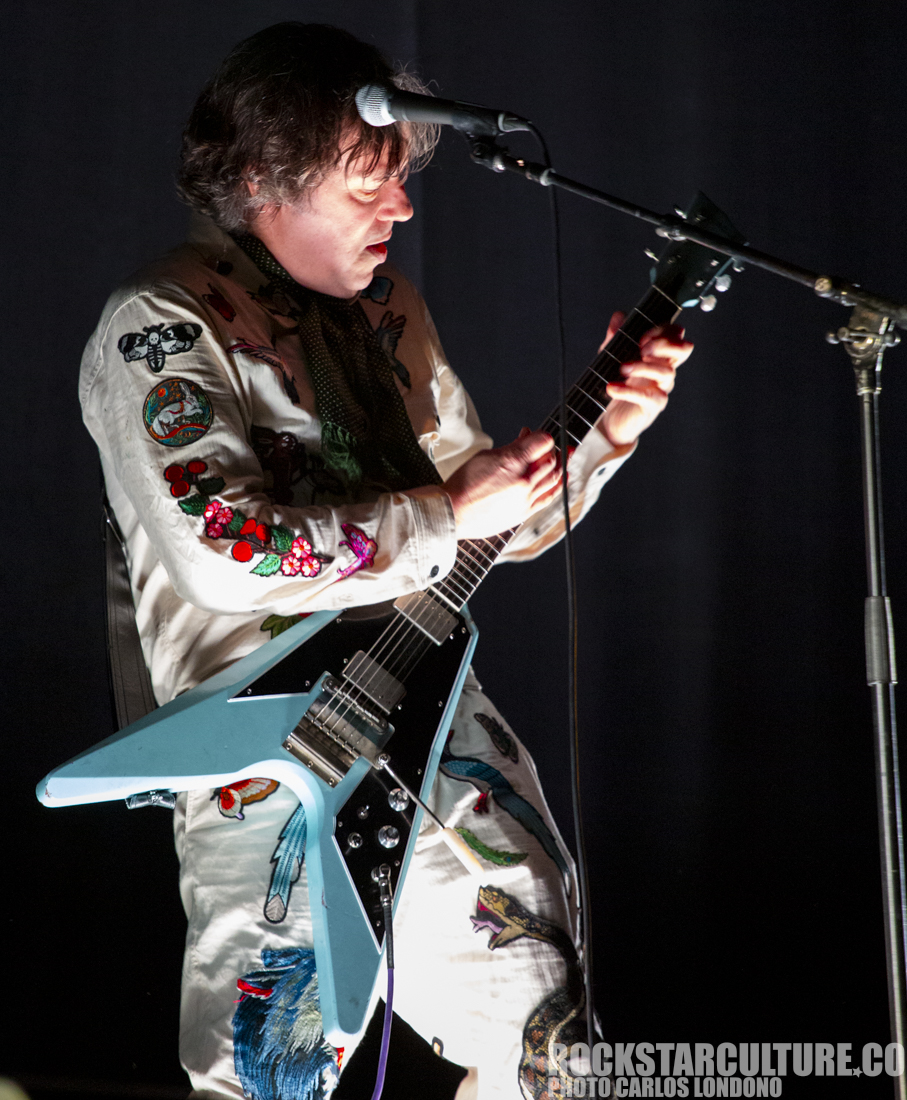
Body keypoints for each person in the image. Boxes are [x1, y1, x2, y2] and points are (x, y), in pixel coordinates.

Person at [78, 22, 691, 1100]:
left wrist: (610, 430)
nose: (400, 209)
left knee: (551, 1046)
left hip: (435, 728)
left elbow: (484, 524)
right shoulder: (162, 323)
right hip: (274, 747)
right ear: (266, 178)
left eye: (400, 181)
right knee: (268, 1073)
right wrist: (446, 511)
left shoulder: (388, 315)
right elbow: (227, 554)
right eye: (369, 185)